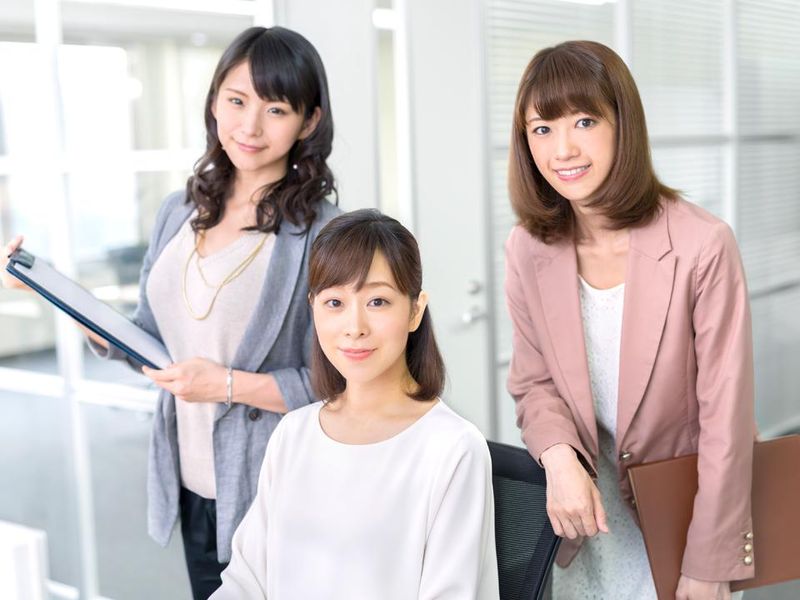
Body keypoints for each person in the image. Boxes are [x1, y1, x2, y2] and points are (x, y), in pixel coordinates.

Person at [3, 25, 340, 600]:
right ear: (214, 103)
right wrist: (56, 291)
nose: (250, 127)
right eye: (236, 101)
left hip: (276, 487)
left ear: (309, 122)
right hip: (191, 476)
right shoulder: (179, 211)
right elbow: (146, 342)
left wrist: (227, 385)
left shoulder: (325, 233)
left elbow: (340, 383)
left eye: (276, 109)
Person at [504, 41, 755, 600]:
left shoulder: (702, 245)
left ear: (624, 124)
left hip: (686, 523)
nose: (563, 149)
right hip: (582, 523)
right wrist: (558, 457)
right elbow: (534, 381)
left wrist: (710, 562)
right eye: (542, 129)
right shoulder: (527, 247)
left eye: (585, 121)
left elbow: (727, 422)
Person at [210, 209, 500, 600]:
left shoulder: (453, 448)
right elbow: (246, 582)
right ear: (313, 307)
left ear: (415, 310)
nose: (354, 327)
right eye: (334, 302)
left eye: (378, 301)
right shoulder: (293, 433)